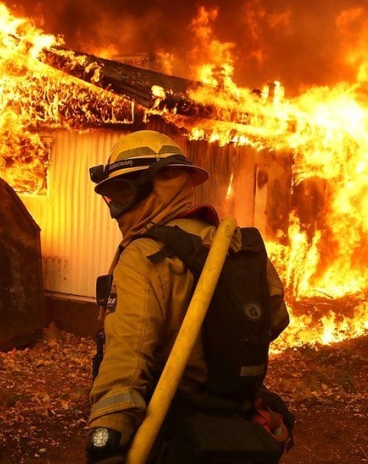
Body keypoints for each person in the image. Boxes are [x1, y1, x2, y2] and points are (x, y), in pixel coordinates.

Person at [85, 130, 291, 463]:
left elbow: (128, 354)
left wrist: (107, 434)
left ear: (162, 183)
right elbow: (275, 320)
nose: (117, 209)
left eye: (123, 192)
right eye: (112, 196)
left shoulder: (144, 255)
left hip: (170, 429)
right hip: (236, 424)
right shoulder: (236, 244)